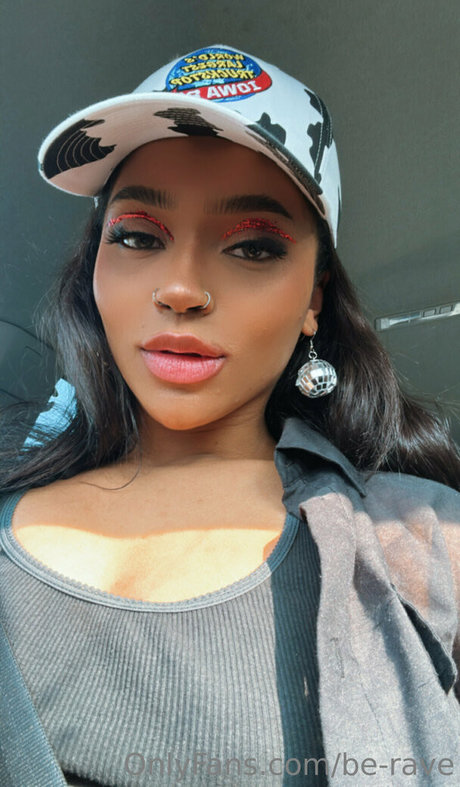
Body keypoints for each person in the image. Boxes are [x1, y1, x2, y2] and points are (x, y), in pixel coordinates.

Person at [0, 44, 459, 786]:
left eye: (252, 247)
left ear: (314, 297)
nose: (181, 289)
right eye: (137, 236)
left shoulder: (426, 539)